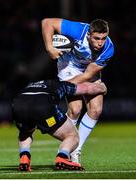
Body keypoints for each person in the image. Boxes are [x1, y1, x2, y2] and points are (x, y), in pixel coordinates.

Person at [41, 18, 114, 163]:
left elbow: (87, 75)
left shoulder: (108, 50)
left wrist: (62, 87)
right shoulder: (77, 30)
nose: (100, 43)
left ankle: (75, 149)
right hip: (69, 65)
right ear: (88, 35)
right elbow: (47, 22)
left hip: (88, 69)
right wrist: (49, 47)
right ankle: (67, 146)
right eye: (96, 38)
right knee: (75, 109)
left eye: (103, 38)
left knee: (96, 110)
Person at [12, 79, 106, 171]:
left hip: (18, 105)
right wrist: (102, 88)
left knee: (26, 131)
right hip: (44, 107)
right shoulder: (61, 84)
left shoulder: (31, 85)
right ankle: (62, 157)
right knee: (72, 136)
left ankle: (24, 157)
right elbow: (87, 88)